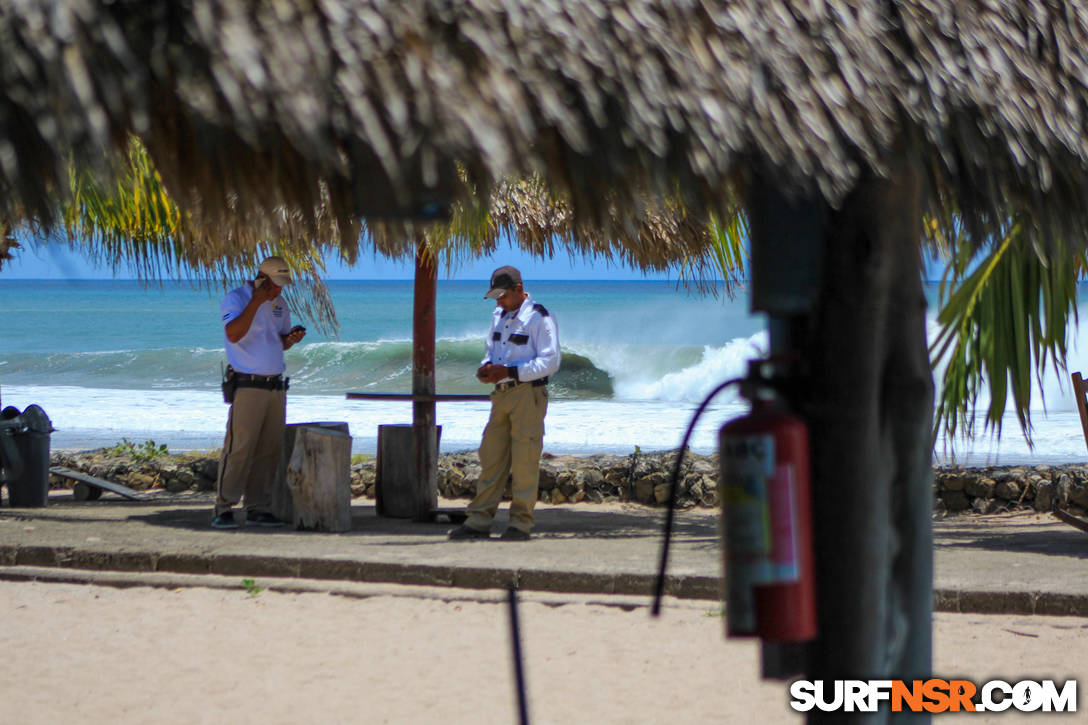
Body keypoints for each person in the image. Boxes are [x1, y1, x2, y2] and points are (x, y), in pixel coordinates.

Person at [449, 266, 560, 541]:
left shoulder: (539, 318)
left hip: (527, 394)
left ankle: (520, 524)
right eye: (496, 297)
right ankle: (479, 521)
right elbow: (491, 350)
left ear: (519, 290)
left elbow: (550, 361)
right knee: (491, 457)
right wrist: (485, 368)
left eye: (503, 296)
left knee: (525, 460)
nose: (499, 301)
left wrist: (510, 372)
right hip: (501, 394)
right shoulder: (498, 315)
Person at [212, 256, 306, 529]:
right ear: (261, 279)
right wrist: (256, 301)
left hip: (275, 385)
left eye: (282, 286)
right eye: (275, 285)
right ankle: (223, 506)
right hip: (248, 384)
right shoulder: (237, 299)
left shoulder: (280, 304)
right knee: (239, 448)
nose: (279, 290)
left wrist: (288, 340)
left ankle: (257, 506)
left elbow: (275, 341)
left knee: (268, 450)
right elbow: (233, 333)